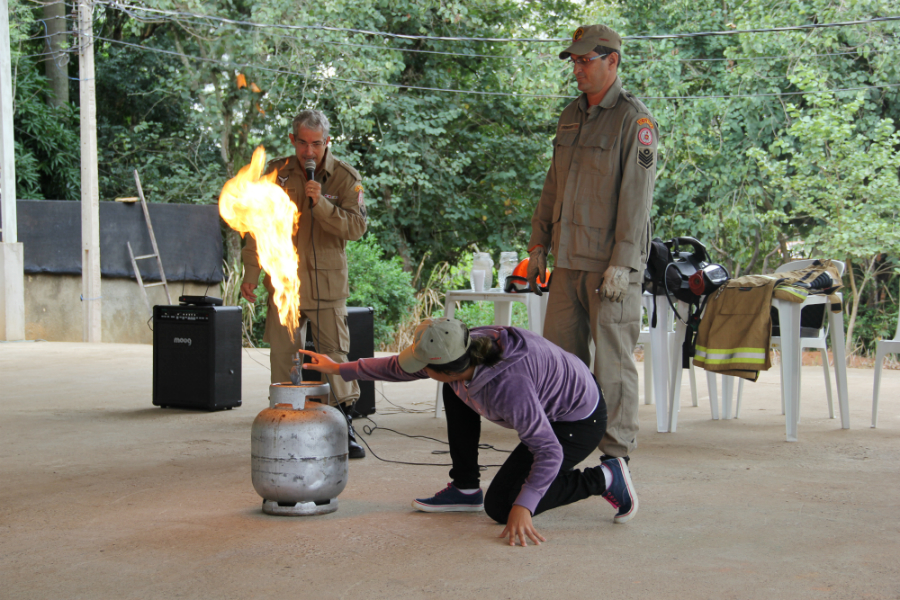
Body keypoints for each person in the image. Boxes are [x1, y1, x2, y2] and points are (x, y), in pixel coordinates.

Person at [299, 317, 638, 547]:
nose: (416, 370)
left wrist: (525, 505)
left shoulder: (509, 386)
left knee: (503, 507)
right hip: (549, 398)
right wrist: (338, 368)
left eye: (424, 368)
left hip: (578, 421)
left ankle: (606, 477)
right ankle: (464, 487)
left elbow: (549, 451)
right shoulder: (466, 345)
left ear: (445, 366)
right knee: (454, 390)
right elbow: (398, 367)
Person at [526, 25, 658, 463]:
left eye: (586, 60)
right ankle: (560, 451)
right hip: (567, 262)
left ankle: (616, 458)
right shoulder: (570, 115)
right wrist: (538, 243)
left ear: (612, 61)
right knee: (560, 364)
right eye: (575, 61)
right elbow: (552, 185)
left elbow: (637, 201)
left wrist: (623, 262)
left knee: (613, 366)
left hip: (610, 269)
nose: (578, 69)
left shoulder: (634, 121)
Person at [240, 109, 368, 459]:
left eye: (316, 144)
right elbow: (257, 227)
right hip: (284, 286)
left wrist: (321, 204)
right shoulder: (275, 175)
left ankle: (344, 427)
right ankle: (285, 425)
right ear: (292, 140)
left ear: (327, 142)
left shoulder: (343, 178)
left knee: (334, 358)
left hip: (327, 287)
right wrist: (251, 272)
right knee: (284, 357)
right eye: (302, 143)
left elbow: (357, 229)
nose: (308, 152)